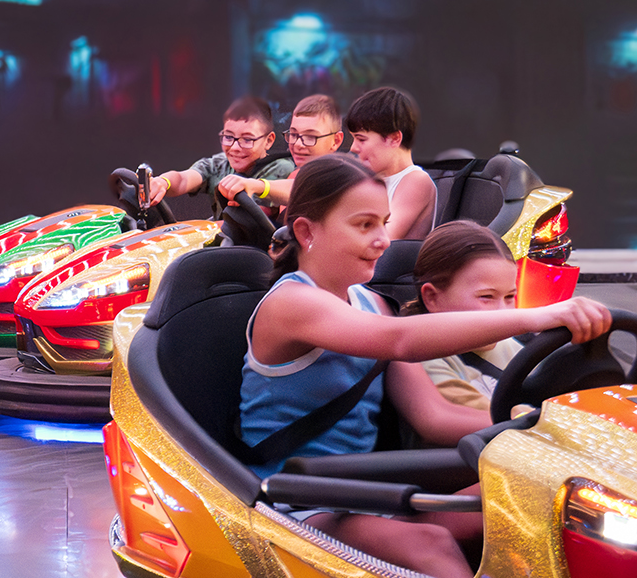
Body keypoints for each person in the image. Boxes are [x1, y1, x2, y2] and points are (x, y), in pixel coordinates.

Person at [240, 154, 609, 578]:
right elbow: (401, 340)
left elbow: (433, 415)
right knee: (428, 542)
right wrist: (540, 316)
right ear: (307, 231)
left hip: (368, 492)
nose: (383, 240)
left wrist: (550, 428)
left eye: (384, 222)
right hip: (297, 503)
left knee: (527, 497)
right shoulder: (292, 303)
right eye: (365, 225)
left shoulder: (371, 302)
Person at [402, 221, 522, 412]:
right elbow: (470, 412)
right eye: (487, 297)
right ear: (432, 297)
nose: (503, 313)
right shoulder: (424, 358)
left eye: (510, 297)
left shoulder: (514, 348)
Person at [149, 96, 294, 215]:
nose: (235, 148)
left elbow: (265, 213)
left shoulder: (282, 169)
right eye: (229, 138)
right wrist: (163, 182)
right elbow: (183, 179)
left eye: (248, 139)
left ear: (268, 141)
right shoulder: (219, 164)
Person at [217, 94, 344, 207]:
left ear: (336, 141)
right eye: (294, 135)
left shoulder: (338, 177)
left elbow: (307, 189)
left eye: (310, 137)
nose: (298, 144)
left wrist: (257, 186)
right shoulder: (295, 174)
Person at [345, 86, 436, 240]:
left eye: (361, 139)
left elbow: (380, 239)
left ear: (394, 139)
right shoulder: (371, 180)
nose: (353, 147)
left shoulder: (417, 181)